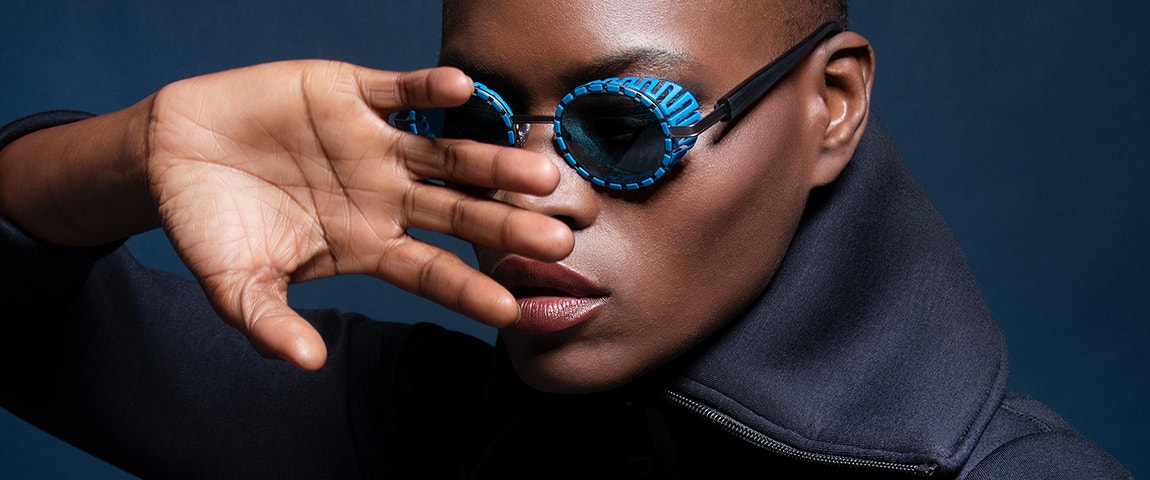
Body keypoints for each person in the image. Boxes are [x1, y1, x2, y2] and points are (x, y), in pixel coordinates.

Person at [0, 0, 1133, 478]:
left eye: (625, 126)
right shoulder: (425, 431)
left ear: (829, 103)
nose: (536, 194)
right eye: (476, 122)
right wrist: (131, 154)